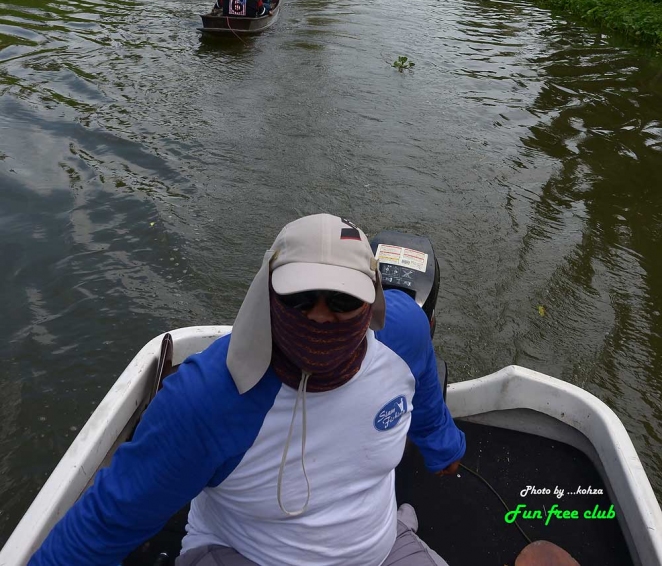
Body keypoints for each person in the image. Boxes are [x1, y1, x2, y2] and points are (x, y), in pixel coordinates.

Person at [28, 214, 466, 566]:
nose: (318, 317)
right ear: (268, 295)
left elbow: (423, 384)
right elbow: (105, 525)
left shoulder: (404, 332)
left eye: (341, 300)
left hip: (379, 546)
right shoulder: (206, 400)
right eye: (299, 299)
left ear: (372, 300)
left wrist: (443, 446)